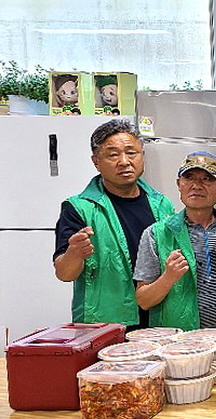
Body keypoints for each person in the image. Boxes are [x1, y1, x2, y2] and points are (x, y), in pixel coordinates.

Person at [53, 119, 175, 328]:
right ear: (96, 162)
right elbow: (65, 274)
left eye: (131, 152)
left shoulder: (162, 205)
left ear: (142, 156)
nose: (124, 161)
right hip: (105, 324)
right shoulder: (79, 208)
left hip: (157, 319)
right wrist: (75, 252)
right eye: (113, 154)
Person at [133, 152, 216, 330]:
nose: (197, 185)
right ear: (179, 184)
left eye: (207, 179)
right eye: (189, 178)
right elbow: (143, 301)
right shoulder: (156, 234)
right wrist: (168, 277)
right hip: (179, 344)